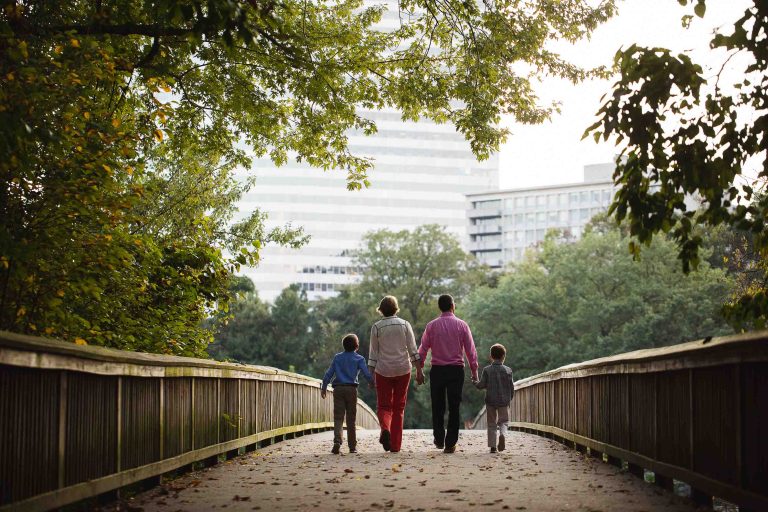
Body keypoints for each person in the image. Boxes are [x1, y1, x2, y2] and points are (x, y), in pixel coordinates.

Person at [417, 293, 478, 453]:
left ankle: (439, 438)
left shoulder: (431, 326)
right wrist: (474, 371)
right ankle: (450, 443)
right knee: (454, 406)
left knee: (437, 406)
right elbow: (471, 351)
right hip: (456, 370)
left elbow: (422, 349)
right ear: (453, 306)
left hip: (437, 370)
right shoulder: (462, 325)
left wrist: (419, 369)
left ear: (439, 307)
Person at [368, 295, 422, 453]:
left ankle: (386, 429)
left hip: (383, 370)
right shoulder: (405, 324)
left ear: (381, 310)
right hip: (403, 369)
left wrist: (370, 376)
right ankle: (395, 446)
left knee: (384, 406)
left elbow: (373, 354)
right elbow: (413, 350)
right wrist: (419, 370)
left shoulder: (376, 327)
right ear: (396, 308)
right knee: (399, 408)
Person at [321, 333, 374, 454]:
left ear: (343, 346)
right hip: (351, 390)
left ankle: (337, 441)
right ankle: (352, 447)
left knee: (338, 417)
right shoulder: (359, 359)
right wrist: (372, 382)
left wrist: (324, 386)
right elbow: (366, 373)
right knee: (351, 419)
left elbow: (329, 373)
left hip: (338, 389)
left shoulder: (337, 357)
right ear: (357, 346)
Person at [473, 343, 515, 453]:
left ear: (491, 356)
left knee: (491, 423)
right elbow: (511, 387)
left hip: (490, 400)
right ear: (503, 356)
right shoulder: (508, 370)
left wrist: (475, 382)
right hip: (504, 401)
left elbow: (481, 385)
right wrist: (509, 398)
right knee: (504, 421)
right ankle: (502, 434)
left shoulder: (487, 370)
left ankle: (492, 447)